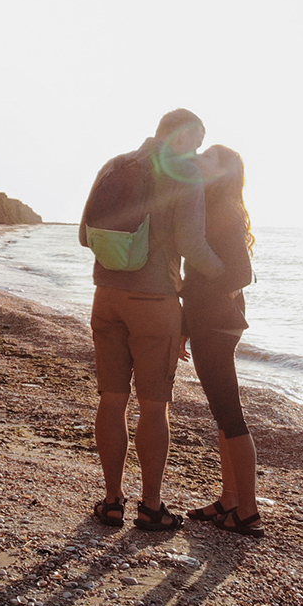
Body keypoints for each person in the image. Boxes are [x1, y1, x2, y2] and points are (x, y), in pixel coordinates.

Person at [81, 108, 224, 530]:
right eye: (195, 142)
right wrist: (227, 276)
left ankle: (111, 502)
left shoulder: (114, 164)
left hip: (105, 296)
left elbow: (84, 234)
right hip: (154, 300)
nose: (196, 152)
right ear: (182, 136)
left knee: (111, 398)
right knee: (154, 404)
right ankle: (152, 506)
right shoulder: (183, 173)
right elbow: (192, 243)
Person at [181, 145, 263, 537]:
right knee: (222, 414)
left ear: (222, 172)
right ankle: (230, 499)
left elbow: (241, 274)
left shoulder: (223, 210)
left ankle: (247, 511)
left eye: (208, 158)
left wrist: (205, 296)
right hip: (208, 323)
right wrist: (186, 323)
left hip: (217, 324)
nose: (199, 159)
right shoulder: (210, 205)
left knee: (231, 415)